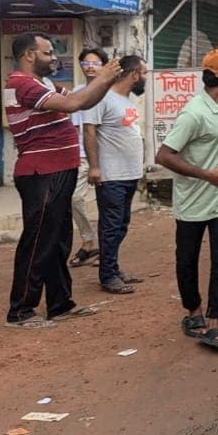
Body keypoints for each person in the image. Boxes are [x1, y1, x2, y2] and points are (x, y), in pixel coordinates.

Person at [4, 34, 119, 328]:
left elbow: (82, 101)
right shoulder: (21, 83)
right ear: (29, 55)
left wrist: (105, 81)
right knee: (39, 241)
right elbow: (73, 104)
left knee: (57, 241)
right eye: (48, 52)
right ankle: (20, 311)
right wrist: (102, 77)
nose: (54, 57)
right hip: (42, 172)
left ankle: (60, 304)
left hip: (59, 170)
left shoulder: (44, 84)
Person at [155, 50, 218, 352]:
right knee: (187, 260)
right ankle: (193, 313)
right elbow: (164, 155)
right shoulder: (193, 113)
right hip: (193, 202)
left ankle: (214, 323)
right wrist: (206, 175)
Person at [83, 54, 147, 295]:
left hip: (129, 174)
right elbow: (89, 131)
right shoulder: (101, 97)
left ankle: (112, 267)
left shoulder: (127, 101)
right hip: (111, 175)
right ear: (133, 75)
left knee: (121, 225)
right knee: (111, 226)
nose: (145, 78)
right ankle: (107, 275)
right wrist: (95, 166)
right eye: (144, 74)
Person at [69, 47, 108, 269]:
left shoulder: (111, 91)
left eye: (95, 63)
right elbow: (75, 128)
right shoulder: (77, 91)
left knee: (108, 206)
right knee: (75, 198)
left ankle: (107, 249)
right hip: (82, 157)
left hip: (107, 157)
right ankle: (89, 242)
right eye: (86, 63)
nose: (90, 67)